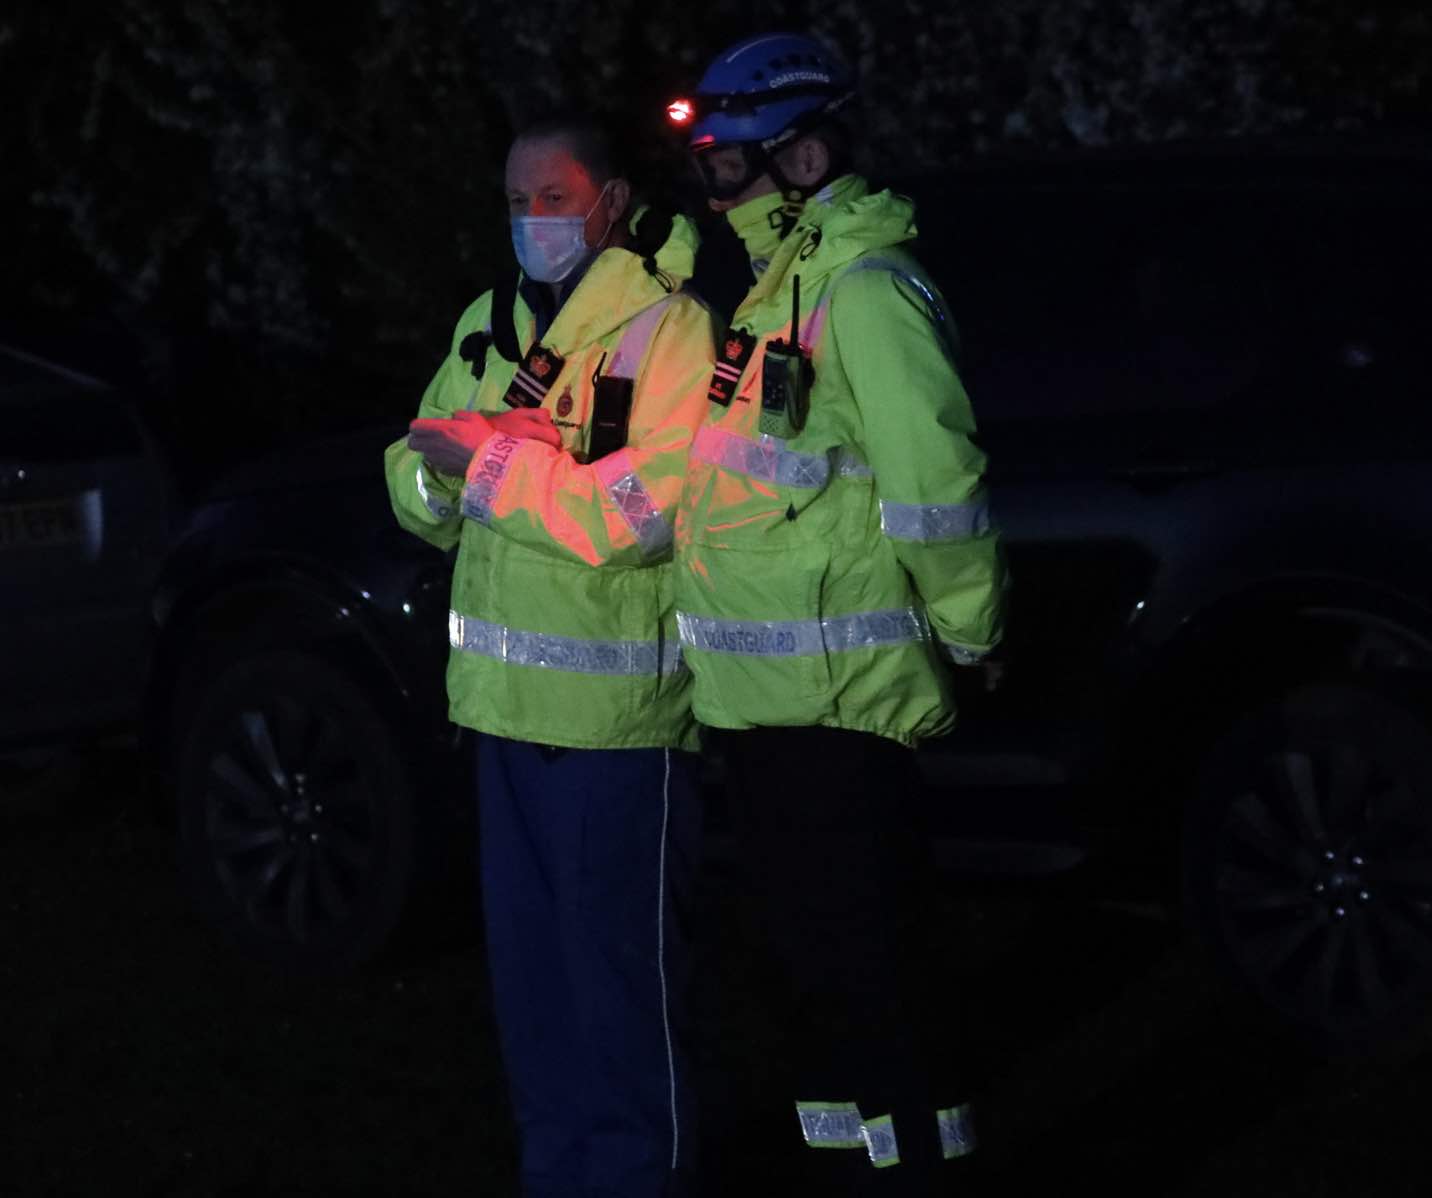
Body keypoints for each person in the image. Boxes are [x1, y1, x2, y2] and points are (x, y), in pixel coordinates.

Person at [668, 33, 1007, 1195]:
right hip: (755, 709)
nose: (711, 185)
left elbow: (935, 480)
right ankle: (843, 1171)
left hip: (846, 707)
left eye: (727, 164)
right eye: (704, 163)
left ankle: (924, 1168)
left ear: (804, 154)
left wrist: (969, 629)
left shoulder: (865, 286)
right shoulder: (764, 294)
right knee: (805, 979)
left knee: (878, 976)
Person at [384, 113, 718, 1198]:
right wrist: (439, 477)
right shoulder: (485, 324)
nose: (534, 220)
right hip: (502, 719)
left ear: (611, 200)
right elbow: (411, 474)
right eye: (518, 200)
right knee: (533, 997)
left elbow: (643, 513)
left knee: (621, 999)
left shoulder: (668, 331)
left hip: (617, 733)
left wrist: (482, 470)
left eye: (556, 197)